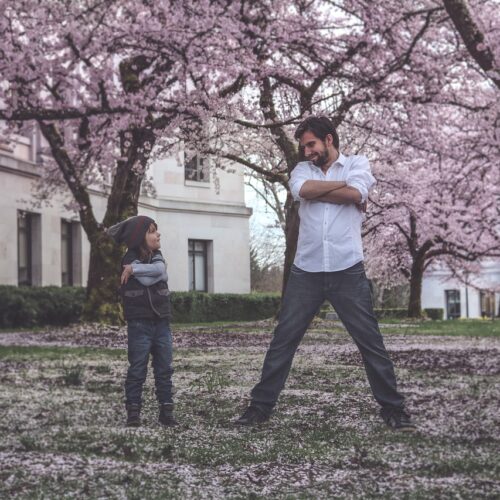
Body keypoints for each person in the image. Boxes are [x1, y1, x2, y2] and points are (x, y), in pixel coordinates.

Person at [236, 116, 415, 431]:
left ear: (329, 139)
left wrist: (336, 191)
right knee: (283, 340)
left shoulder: (357, 162)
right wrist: (341, 187)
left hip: (348, 269)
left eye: (311, 144)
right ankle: (259, 408)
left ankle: (393, 409)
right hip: (307, 270)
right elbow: (304, 189)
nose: (307, 151)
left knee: (370, 341)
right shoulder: (302, 170)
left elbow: (356, 195)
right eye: (304, 146)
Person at [107, 215, 177, 427]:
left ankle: (166, 411)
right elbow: (150, 277)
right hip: (139, 323)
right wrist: (147, 271)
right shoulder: (129, 256)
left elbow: (160, 270)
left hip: (161, 322)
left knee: (164, 368)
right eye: (152, 231)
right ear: (140, 236)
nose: (158, 234)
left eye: (157, 230)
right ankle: (133, 412)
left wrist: (135, 270)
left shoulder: (157, 255)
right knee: (137, 368)